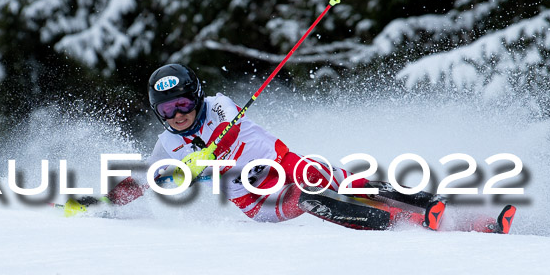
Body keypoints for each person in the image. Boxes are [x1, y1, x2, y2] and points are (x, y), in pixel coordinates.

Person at [68, 64, 515, 233]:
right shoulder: (166, 146)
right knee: (312, 198)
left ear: (198, 96)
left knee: (335, 179)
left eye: (185, 103)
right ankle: (405, 223)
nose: (179, 115)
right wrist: (99, 202)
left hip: (281, 162)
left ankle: (444, 209)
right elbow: (144, 181)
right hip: (254, 198)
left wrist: (201, 158)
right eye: (168, 110)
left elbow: (223, 132)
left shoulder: (220, 106)